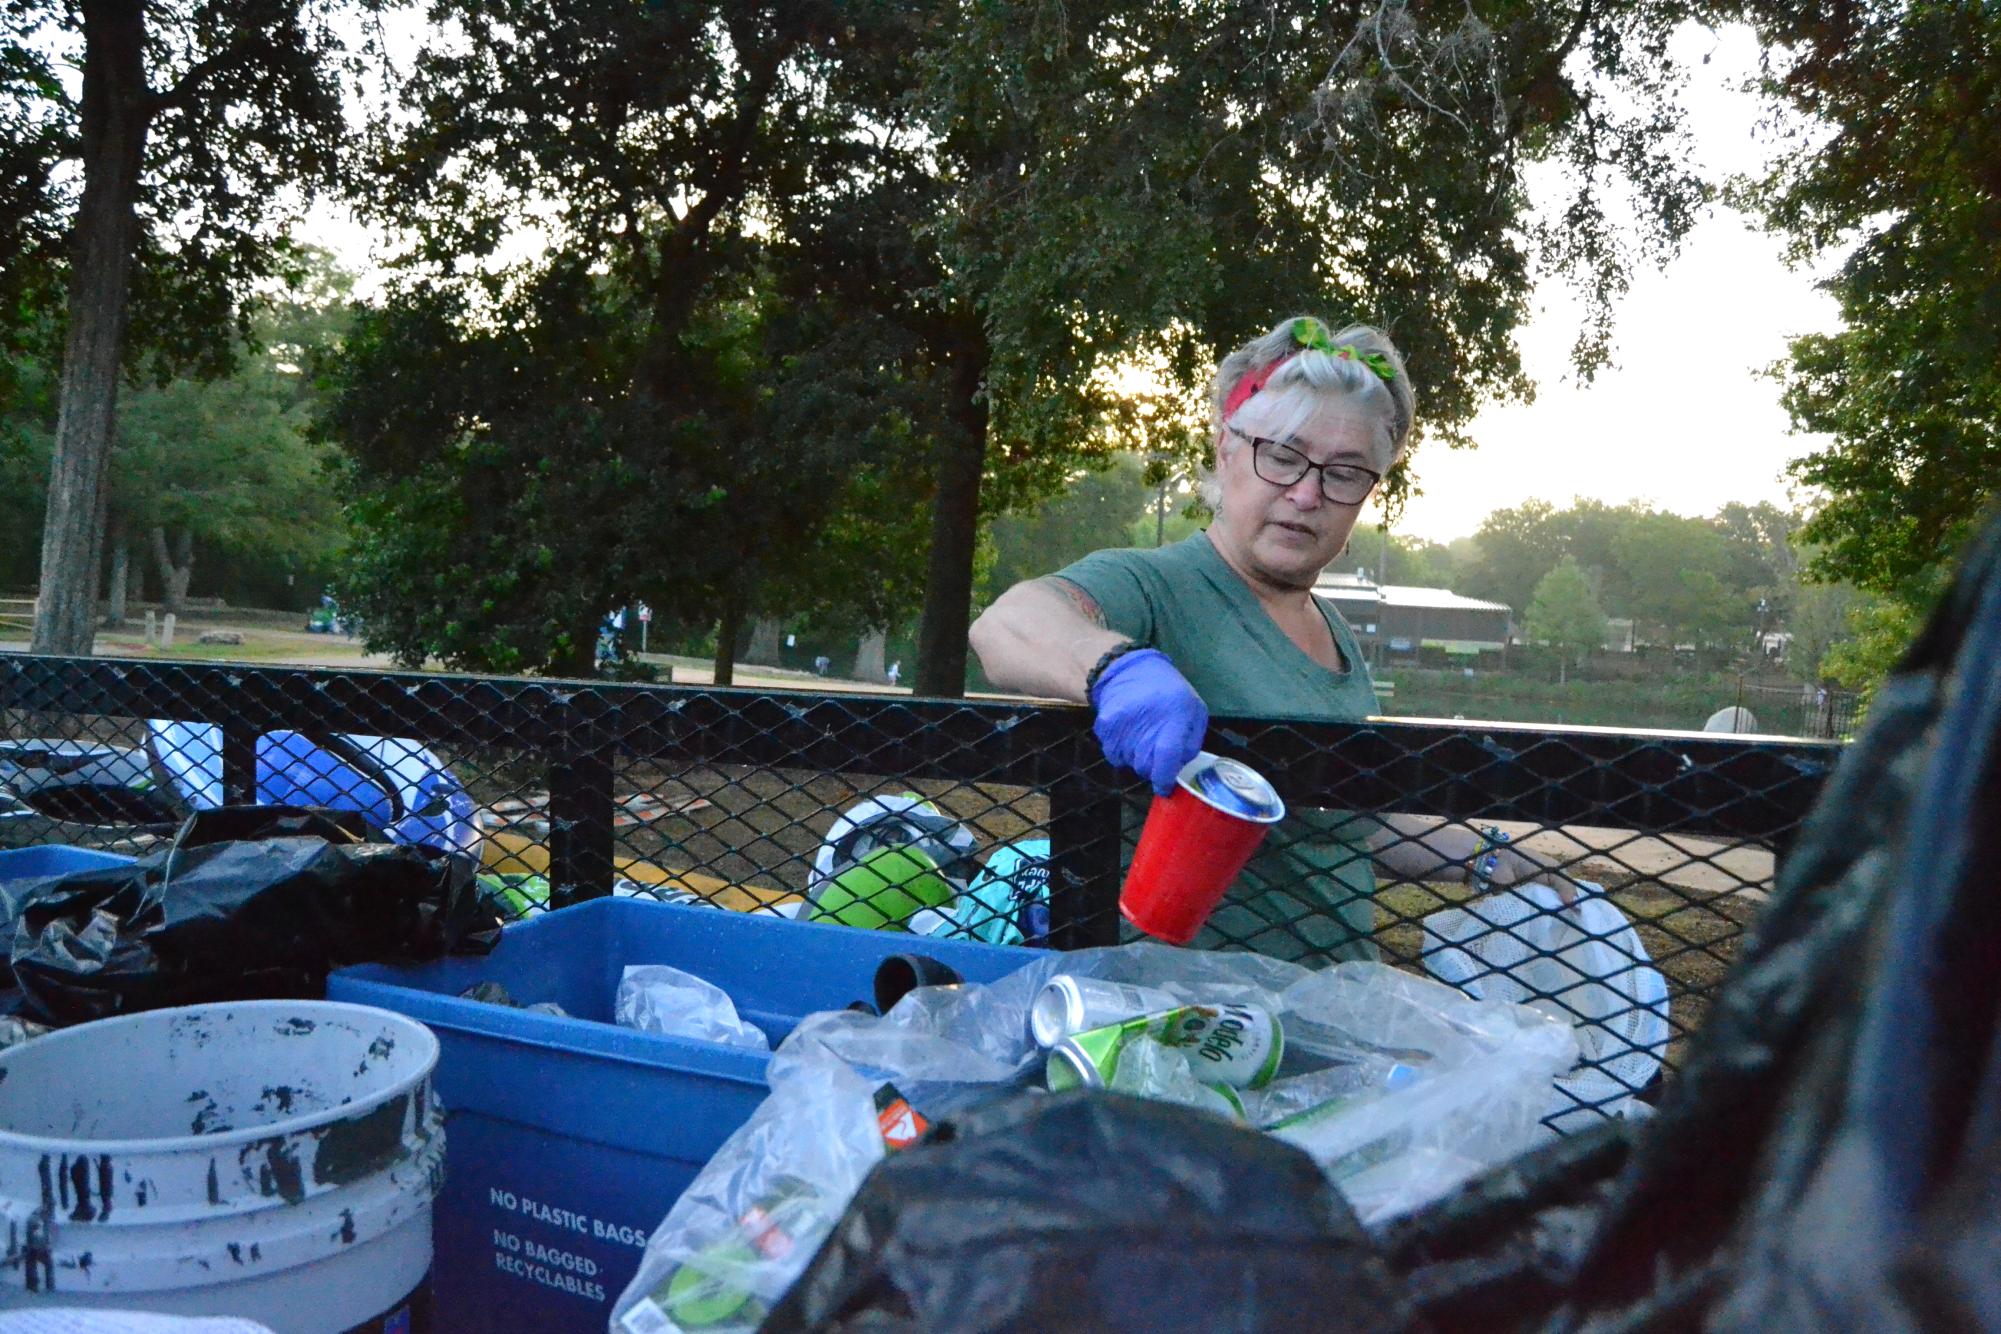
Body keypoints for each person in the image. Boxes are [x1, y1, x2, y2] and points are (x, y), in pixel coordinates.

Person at [970, 315, 1564, 963]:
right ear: (1226, 452)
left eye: (1343, 472)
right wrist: (1114, 669)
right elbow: (1006, 624)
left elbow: (1343, 817)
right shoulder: (1156, 585)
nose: (1307, 494)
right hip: (1183, 1024)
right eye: (1280, 456)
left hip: (1322, 1017)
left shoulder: (1333, 631)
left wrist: (1491, 857)